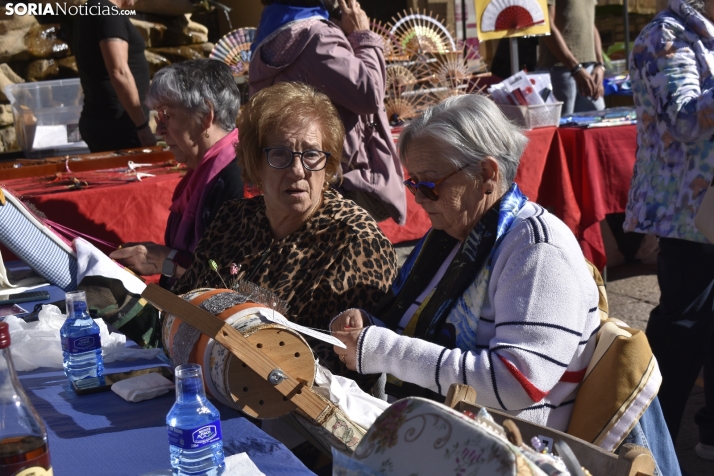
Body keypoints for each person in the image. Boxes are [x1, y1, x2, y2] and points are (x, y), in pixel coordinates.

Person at [331, 95, 681, 475]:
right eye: (413, 183)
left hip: (510, 453)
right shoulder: (452, 235)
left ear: (487, 174)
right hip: (447, 436)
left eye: (430, 185)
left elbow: (516, 384)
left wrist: (380, 348)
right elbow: (415, 330)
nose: (418, 198)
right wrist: (368, 329)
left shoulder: (537, 248)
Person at [174, 81, 398, 379]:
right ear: (256, 163)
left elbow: (338, 363)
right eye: (279, 155)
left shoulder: (354, 241)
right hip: (211, 380)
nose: (296, 170)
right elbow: (189, 302)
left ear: (328, 164)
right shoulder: (234, 219)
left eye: (311, 155)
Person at [626, 0, 714, 461]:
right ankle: (647, 445)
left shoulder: (701, 34)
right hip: (686, 209)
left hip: (706, 205)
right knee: (682, 328)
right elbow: (684, 119)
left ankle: (709, 438)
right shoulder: (666, 37)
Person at [248, 0, 407, 225]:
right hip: (339, 179)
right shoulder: (318, 37)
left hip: (293, 174)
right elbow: (369, 93)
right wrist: (362, 35)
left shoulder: (272, 30)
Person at [110, 59, 244, 290]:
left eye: (166, 115)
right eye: (156, 117)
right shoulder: (204, 171)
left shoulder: (238, 176)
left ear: (205, 115)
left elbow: (230, 275)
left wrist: (163, 260)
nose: (159, 130)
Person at [74, 0, 156, 152]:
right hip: (119, 124)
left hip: (102, 118)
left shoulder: (90, 10)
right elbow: (119, 72)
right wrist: (142, 127)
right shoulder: (109, 13)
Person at [538, 0, 606, 115]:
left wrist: (600, 64)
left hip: (589, 67)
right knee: (562, 125)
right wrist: (575, 68)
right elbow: (545, 24)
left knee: (596, 122)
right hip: (560, 68)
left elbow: (590, 23)